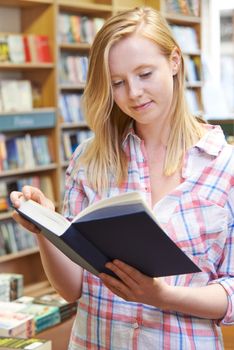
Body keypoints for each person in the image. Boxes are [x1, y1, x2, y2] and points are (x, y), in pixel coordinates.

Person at [10, 6, 234, 349]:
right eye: (117, 83)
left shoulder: (225, 165)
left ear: (174, 61)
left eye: (145, 73)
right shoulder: (89, 158)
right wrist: (46, 227)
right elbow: (72, 289)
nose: (134, 93)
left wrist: (163, 296)